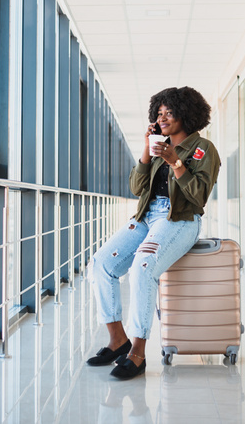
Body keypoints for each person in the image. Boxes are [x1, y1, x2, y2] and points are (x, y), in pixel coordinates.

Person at [87, 86, 221, 380]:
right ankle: (117, 340)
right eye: (159, 113)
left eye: (169, 113)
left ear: (186, 115)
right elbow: (137, 188)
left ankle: (137, 352)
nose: (162, 118)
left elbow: (198, 197)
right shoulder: (159, 146)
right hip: (147, 217)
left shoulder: (203, 149)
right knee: (100, 264)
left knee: (141, 269)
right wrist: (148, 147)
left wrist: (176, 162)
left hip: (179, 219)